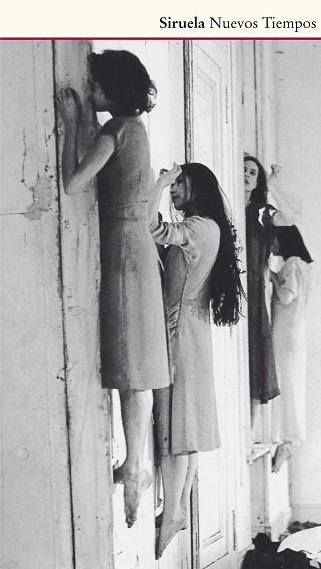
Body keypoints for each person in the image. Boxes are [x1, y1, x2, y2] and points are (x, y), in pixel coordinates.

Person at [55, 50, 169, 528]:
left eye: (96, 83)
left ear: (112, 88)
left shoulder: (115, 129)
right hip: (138, 247)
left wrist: (72, 125)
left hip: (122, 250)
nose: (91, 88)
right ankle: (136, 462)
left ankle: (136, 466)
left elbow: (72, 183)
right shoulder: (136, 129)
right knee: (138, 363)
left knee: (130, 363)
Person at [150, 162, 244, 557]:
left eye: (179, 183)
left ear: (197, 188)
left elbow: (150, 226)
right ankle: (178, 509)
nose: (174, 190)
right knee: (183, 428)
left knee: (176, 429)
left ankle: (173, 510)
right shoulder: (206, 226)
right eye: (173, 184)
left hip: (180, 334)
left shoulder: (198, 227)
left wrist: (157, 183)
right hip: (189, 331)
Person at [244, 156, 297, 408]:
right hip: (229, 282)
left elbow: (289, 218)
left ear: (258, 182)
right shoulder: (225, 207)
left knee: (256, 355)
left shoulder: (261, 212)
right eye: (243, 170)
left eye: (252, 172)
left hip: (254, 288)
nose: (246, 175)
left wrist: (273, 186)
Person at [270, 225, 313, 471]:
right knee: (291, 385)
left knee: (285, 383)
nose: (272, 245)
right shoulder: (303, 266)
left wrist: (272, 277)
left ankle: (287, 440)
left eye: (275, 240)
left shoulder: (292, 264)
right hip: (294, 331)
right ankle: (287, 440)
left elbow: (286, 295)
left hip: (285, 333)